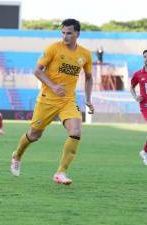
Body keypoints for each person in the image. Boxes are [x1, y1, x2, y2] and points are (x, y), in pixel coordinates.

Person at [10, 19, 95, 185]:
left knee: (76, 131)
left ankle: (61, 172)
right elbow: (37, 70)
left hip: (68, 100)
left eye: (69, 33)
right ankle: (17, 155)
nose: (65, 36)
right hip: (47, 99)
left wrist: (89, 99)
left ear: (77, 33)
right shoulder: (53, 48)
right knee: (34, 135)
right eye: (63, 33)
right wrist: (53, 86)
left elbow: (89, 78)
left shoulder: (85, 55)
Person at [130, 49, 147, 165]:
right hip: (145, 105)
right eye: (145, 56)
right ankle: (145, 152)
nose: (146, 58)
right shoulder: (138, 74)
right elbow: (131, 87)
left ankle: (144, 151)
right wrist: (136, 97)